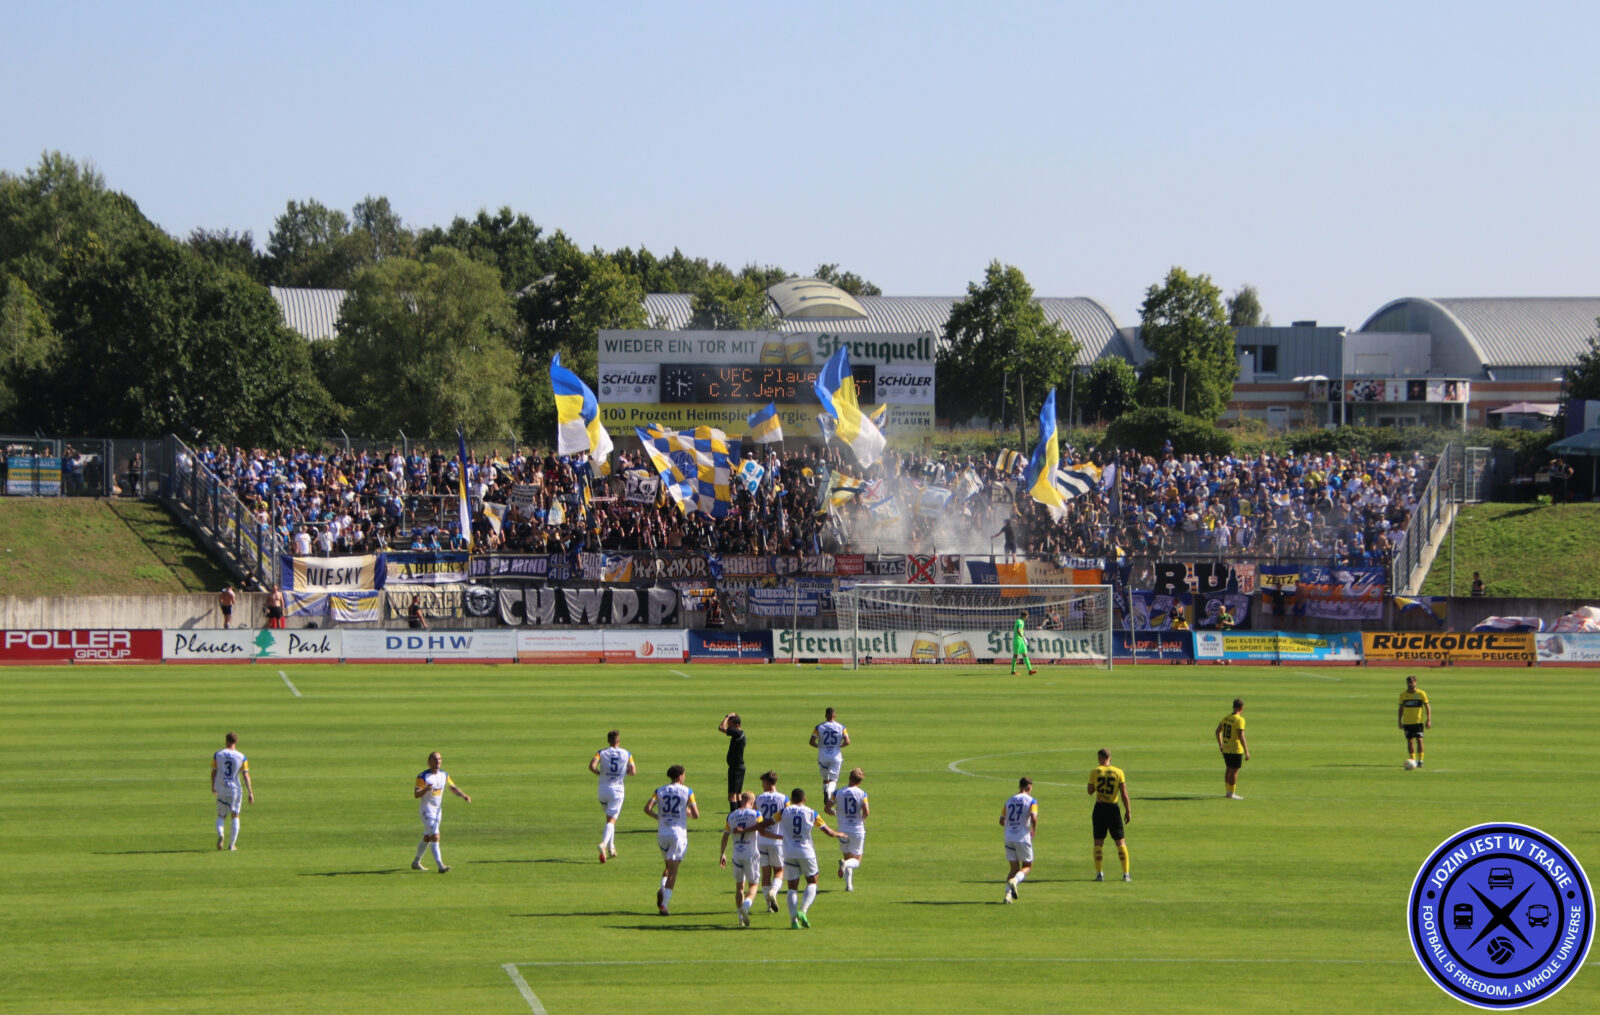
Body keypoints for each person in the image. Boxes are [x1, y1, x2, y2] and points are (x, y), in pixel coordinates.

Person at [753, 786, 844, 929]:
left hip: (789, 852)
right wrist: (839, 834)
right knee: (812, 882)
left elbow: (768, 822)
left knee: (792, 888)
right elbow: (828, 832)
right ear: (804, 799)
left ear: (792, 799)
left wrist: (754, 828)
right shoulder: (812, 813)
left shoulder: (783, 812)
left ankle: (793, 921)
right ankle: (803, 910)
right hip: (806, 852)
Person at [643, 765, 699, 915]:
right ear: (680, 776)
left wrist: (659, 818)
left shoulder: (659, 790)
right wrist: (685, 813)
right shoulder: (688, 791)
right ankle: (664, 905)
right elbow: (696, 814)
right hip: (678, 835)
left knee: (668, 865)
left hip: (662, 834)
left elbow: (647, 808)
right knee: (674, 871)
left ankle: (662, 887)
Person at [413, 751, 470, 873]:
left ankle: (416, 862)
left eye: (439, 759)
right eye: (435, 759)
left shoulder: (444, 775)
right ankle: (440, 865)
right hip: (426, 810)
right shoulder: (423, 777)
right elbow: (416, 794)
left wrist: (463, 796)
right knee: (435, 835)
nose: (438, 761)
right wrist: (426, 790)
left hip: (438, 811)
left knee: (427, 837)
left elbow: (452, 787)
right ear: (429, 762)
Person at [589, 729, 636, 862]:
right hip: (617, 790)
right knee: (611, 820)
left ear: (608, 741)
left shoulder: (601, 752)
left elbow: (592, 766)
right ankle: (603, 844)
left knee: (609, 819)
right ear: (618, 741)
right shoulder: (627, 753)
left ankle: (611, 847)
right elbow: (633, 771)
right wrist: (624, 772)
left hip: (603, 789)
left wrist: (600, 774)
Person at [719, 791, 763, 927]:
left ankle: (740, 919)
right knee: (754, 885)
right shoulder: (756, 814)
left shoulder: (731, 816)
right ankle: (746, 905)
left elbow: (725, 835)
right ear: (752, 802)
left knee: (739, 887)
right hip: (751, 854)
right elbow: (761, 827)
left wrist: (722, 854)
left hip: (736, 854)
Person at [1087, 748, 1132, 882]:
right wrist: (1128, 810)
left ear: (1100, 758)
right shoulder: (1119, 772)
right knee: (1120, 842)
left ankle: (1099, 874)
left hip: (1100, 809)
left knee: (1098, 842)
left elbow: (1090, 791)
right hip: (1114, 809)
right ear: (1110, 758)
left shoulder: (1095, 771)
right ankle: (1126, 874)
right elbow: (1124, 793)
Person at [211, 731, 253, 850]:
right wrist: (250, 792)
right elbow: (246, 775)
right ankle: (232, 845)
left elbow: (213, 771)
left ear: (226, 741)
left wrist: (213, 786)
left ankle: (220, 834)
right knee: (235, 816)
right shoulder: (242, 757)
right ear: (236, 742)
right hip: (235, 790)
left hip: (221, 789)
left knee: (221, 815)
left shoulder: (218, 754)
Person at [754, 771, 788, 914]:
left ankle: (769, 907)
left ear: (768, 783)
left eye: (763, 783)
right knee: (779, 871)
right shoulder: (784, 798)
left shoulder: (759, 798)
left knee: (766, 873)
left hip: (761, 840)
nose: (762, 785)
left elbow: (754, 816)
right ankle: (774, 892)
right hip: (777, 841)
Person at [1000, 776, 1037, 902]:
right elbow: (1034, 817)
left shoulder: (1009, 801)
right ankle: (1015, 881)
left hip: (1009, 836)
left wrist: (1011, 826)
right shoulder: (1032, 801)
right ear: (1028, 787)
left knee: (1014, 868)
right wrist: (1033, 829)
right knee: (1027, 865)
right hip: (1022, 836)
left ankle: (1007, 896)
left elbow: (1001, 820)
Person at [833, 767, 870, 892]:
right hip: (857, 830)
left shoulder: (838, 792)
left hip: (842, 830)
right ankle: (845, 865)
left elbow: (827, 808)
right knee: (856, 861)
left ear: (849, 778)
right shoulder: (862, 794)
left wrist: (837, 814)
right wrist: (861, 820)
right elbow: (866, 811)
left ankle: (849, 885)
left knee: (847, 856)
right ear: (859, 782)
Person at [809, 707, 850, 806]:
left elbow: (811, 741)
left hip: (823, 755)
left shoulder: (819, 727)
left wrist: (820, 746)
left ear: (825, 716)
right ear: (834, 716)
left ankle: (825, 794)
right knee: (833, 780)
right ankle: (829, 794)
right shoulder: (842, 727)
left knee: (825, 778)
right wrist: (839, 746)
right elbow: (847, 741)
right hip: (836, 756)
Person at [1215, 698, 1250, 799]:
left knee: (1228, 769)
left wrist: (1221, 744)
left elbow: (1217, 731)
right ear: (1241, 708)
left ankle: (1227, 792)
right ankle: (1232, 793)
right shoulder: (1240, 720)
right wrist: (1247, 751)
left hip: (1226, 748)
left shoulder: (1226, 718)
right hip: (1235, 749)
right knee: (1235, 771)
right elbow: (1241, 735)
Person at [1398, 675, 1432, 767]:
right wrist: (1399, 721)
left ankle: (1420, 760)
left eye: (1412, 682)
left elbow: (1427, 706)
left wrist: (1428, 719)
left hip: (1418, 722)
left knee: (1420, 740)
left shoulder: (1421, 694)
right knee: (1410, 741)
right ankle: (1412, 759)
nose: (1410, 684)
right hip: (1407, 722)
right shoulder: (1403, 695)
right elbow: (1400, 708)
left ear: (1415, 683)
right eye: (1409, 682)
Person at [718, 712, 746, 811]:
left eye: (731, 724)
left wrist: (727, 717)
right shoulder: (739, 733)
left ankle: (734, 818)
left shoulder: (737, 733)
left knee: (732, 796)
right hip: (739, 767)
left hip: (735, 768)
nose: (729, 727)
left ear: (737, 724)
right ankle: (741, 817)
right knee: (738, 795)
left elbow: (721, 727)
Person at [1010, 610, 1037, 676]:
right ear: (1025, 616)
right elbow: (1018, 630)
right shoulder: (1020, 622)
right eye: (1027, 616)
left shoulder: (1019, 621)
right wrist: (1023, 637)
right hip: (1018, 640)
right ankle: (1013, 671)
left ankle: (1030, 670)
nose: (1027, 618)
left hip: (1020, 640)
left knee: (1025, 654)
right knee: (1015, 655)